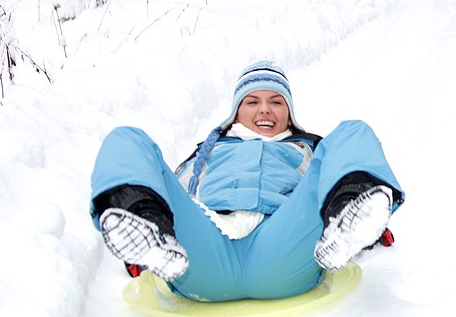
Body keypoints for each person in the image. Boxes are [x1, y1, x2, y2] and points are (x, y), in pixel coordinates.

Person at [89, 60, 404, 302]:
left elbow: (327, 180)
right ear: (236, 112)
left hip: (281, 249)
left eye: (276, 102)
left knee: (352, 131)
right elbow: (175, 190)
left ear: (289, 113)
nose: (265, 109)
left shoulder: (308, 149)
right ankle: (149, 230)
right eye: (252, 102)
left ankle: (346, 217)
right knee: (126, 137)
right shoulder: (208, 151)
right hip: (204, 256)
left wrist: (363, 219)